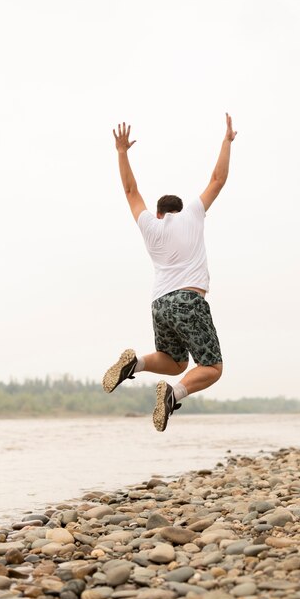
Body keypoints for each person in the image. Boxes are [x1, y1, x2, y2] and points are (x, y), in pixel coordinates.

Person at [103, 113, 237, 431]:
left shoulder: (150, 225)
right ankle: (173, 395)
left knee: (176, 361)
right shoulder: (193, 214)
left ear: (160, 213)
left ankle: (136, 363)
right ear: (179, 211)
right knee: (212, 368)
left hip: (159, 304)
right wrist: (226, 142)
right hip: (188, 300)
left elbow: (131, 191)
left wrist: (122, 152)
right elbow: (217, 179)